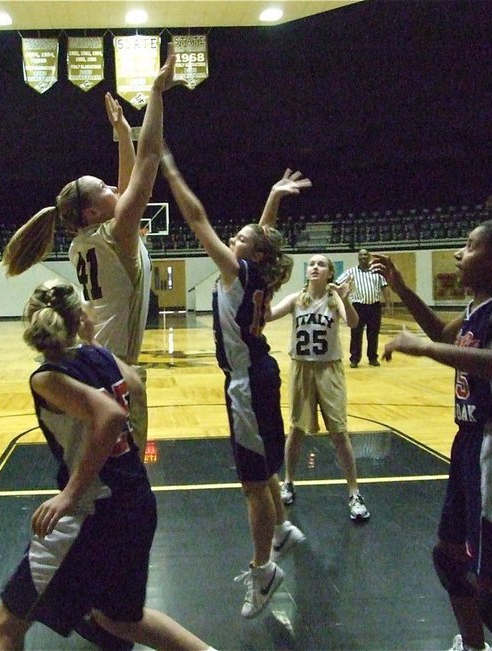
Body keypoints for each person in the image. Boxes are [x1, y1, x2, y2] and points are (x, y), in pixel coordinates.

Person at [0, 280, 215, 651]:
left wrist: (68, 494)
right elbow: (136, 387)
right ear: (80, 317)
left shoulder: (47, 376)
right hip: (135, 499)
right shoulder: (102, 357)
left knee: (6, 622)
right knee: (119, 620)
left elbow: (108, 416)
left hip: (94, 512)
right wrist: (135, 452)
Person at [371, 221, 492, 651]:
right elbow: (440, 331)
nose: (459, 253)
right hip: (471, 446)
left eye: (470, 246)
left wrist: (424, 350)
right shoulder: (479, 308)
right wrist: (401, 288)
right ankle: (475, 647)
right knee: (450, 560)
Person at [2, 44, 176, 465]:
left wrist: (121, 132)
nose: (117, 189)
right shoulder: (115, 235)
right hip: (112, 370)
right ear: (94, 211)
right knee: (120, 478)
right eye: (106, 190)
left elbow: (129, 176)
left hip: (100, 361)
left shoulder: (95, 237)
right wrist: (155, 92)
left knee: (104, 475)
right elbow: (149, 161)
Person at [160, 149, 309, 619]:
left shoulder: (240, 270)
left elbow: (197, 217)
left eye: (239, 238)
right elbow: (260, 238)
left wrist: (169, 166)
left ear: (251, 253)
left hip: (246, 382)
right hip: (260, 374)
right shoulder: (255, 269)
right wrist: (272, 198)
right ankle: (282, 527)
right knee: (263, 464)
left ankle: (262, 569)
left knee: (251, 484)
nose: (231, 237)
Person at [266, 254, 370, 520]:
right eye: (311, 264)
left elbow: (354, 322)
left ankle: (354, 492)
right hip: (301, 367)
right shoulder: (296, 299)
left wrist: (345, 296)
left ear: (330, 274)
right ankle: (288, 482)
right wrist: (264, 286)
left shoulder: (334, 300)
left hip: (329, 369)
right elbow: (267, 315)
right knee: (296, 430)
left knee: (339, 431)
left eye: (321, 264)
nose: (315, 267)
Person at [336, 248, 390, 367]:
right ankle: (354, 359)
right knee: (356, 333)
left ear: (369, 257)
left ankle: (372, 358)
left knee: (373, 333)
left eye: (366, 255)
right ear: (358, 257)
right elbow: (337, 283)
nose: (363, 257)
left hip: (374, 307)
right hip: (358, 307)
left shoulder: (377, 272)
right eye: (361, 255)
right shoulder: (351, 272)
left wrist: (388, 303)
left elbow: (384, 286)